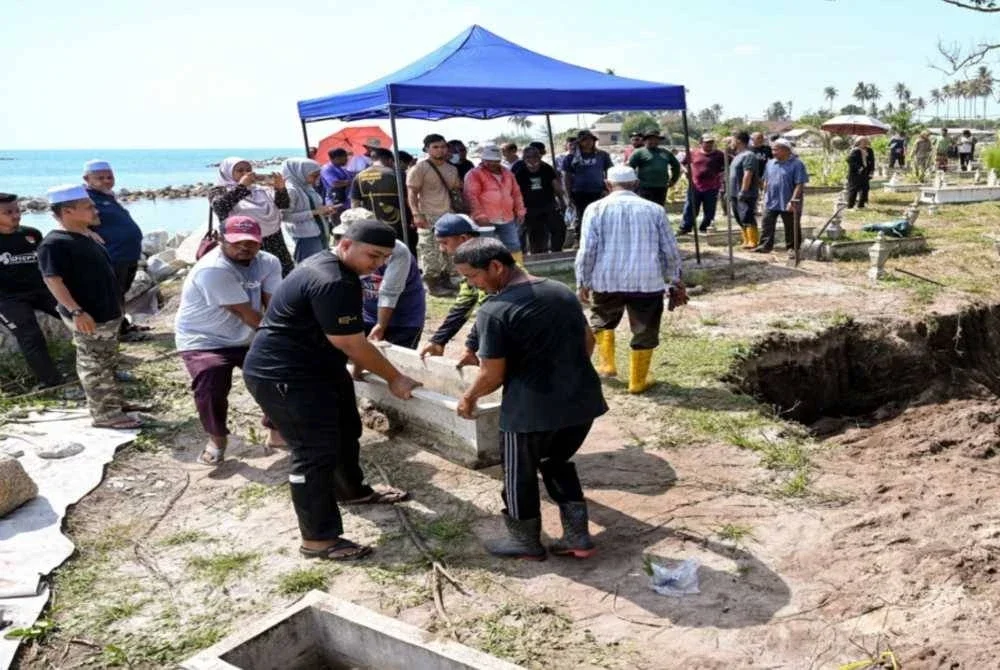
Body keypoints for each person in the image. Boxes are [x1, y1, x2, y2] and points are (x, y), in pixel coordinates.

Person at [243, 220, 421, 561]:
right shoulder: (333, 279)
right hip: (285, 375)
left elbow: (342, 337)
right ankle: (318, 540)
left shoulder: (336, 270)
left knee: (345, 430)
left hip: (319, 367)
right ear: (345, 244)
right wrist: (395, 378)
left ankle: (351, 491)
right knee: (314, 452)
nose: (377, 264)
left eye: (384, 258)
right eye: (372, 255)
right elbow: (350, 341)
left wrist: (357, 360)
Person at [455, 238, 607, 560]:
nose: (472, 284)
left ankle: (525, 542)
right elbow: (588, 341)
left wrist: (468, 398)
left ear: (496, 267)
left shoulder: (494, 311)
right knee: (556, 462)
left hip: (529, 413)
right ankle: (577, 536)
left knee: (517, 475)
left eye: (472, 276)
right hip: (582, 402)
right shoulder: (560, 291)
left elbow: (492, 375)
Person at [174, 216, 284, 465]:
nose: (244, 247)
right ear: (220, 239)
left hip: (246, 336)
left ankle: (276, 431)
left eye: (251, 243)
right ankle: (217, 438)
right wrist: (283, 337)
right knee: (211, 379)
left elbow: (274, 304)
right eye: (236, 242)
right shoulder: (213, 269)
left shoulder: (269, 262)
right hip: (204, 338)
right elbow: (244, 313)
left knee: (278, 373)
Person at [575, 166, 684, 394]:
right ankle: (637, 382)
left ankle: (607, 365)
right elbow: (669, 250)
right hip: (646, 281)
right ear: (636, 184)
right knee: (645, 328)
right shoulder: (654, 210)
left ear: (607, 184)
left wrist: (582, 281)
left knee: (602, 320)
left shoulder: (595, 209)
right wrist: (675, 279)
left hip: (606, 279)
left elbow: (587, 250)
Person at [37, 185, 139, 429]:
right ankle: (105, 415)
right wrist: (76, 311)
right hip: (88, 316)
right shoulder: (54, 244)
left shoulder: (86, 235)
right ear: (68, 211)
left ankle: (115, 404)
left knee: (107, 362)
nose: (96, 209)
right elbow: (52, 280)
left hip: (107, 313)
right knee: (94, 366)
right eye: (88, 207)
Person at [330, 210, 427, 350]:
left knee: (396, 362)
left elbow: (389, 292)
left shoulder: (398, 251)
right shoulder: (345, 248)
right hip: (368, 314)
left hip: (404, 318)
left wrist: (381, 325)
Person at [0, 193, 64, 389]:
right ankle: (51, 381)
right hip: (8, 299)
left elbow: (47, 264)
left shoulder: (32, 234)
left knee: (76, 314)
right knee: (30, 335)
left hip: (41, 291)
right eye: (8, 212)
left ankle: (101, 362)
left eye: (17, 210)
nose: (16, 215)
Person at [418, 214, 494, 365]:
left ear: (464, 239)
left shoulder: (486, 263)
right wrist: (439, 340)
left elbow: (491, 311)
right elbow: (463, 305)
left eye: (444, 243)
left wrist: (470, 348)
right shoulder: (472, 262)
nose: (442, 249)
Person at [83, 160, 145, 340]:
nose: (106, 181)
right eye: (100, 178)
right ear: (87, 178)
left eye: (109, 177)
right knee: (113, 296)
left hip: (128, 255)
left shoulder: (106, 195)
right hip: (112, 255)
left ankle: (123, 326)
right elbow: (68, 217)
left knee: (120, 294)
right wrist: (86, 231)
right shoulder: (85, 197)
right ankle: (118, 333)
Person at [210, 157, 294, 277]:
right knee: (254, 280)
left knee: (282, 276)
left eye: (248, 170)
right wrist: (242, 187)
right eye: (240, 170)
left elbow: (283, 205)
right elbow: (220, 207)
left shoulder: (259, 189)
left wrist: (280, 189)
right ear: (228, 173)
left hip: (274, 240)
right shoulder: (219, 190)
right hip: (244, 244)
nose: (246, 173)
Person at [407, 133, 462, 297]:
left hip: (448, 215)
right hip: (428, 215)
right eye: (435, 147)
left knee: (449, 251)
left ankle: (447, 280)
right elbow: (411, 193)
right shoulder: (419, 168)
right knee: (430, 252)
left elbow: (456, 188)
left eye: (443, 146)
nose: (440, 150)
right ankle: (433, 284)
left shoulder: (451, 168)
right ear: (427, 149)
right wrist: (416, 214)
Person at [464, 144, 526, 261]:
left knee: (513, 245)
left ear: (499, 160)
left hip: (507, 217)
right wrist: (479, 215)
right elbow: (471, 196)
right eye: (487, 160)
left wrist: (520, 211)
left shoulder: (508, 173)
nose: (491, 163)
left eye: (494, 161)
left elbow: (516, 193)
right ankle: (488, 275)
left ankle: (518, 271)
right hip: (485, 220)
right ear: (482, 160)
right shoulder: (474, 174)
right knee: (486, 249)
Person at [350, 148, 416, 258]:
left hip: (372, 224)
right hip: (400, 224)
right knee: (405, 252)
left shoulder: (358, 176)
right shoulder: (397, 174)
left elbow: (355, 204)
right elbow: (408, 197)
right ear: (390, 160)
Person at [754, 139, 809, 253]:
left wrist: (793, 200)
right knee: (767, 223)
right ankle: (765, 246)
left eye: (776, 150)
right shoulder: (770, 163)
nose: (773, 152)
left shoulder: (797, 164)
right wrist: (763, 196)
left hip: (788, 200)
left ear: (786, 150)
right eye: (772, 150)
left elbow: (800, 184)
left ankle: (793, 248)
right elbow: (766, 181)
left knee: (791, 225)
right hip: (771, 200)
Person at [513, 146, 567, 254]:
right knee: (536, 233)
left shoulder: (546, 168)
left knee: (559, 227)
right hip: (530, 207)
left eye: (535, 157)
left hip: (548, 204)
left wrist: (562, 200)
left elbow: (556, 185)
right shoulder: (519, 171)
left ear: (539, 157)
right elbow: (514, 191)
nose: (532, 160)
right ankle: (538, 254)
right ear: (524, 158)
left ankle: (556, 251)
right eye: (528, 157)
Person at [281, 158, 335, 262]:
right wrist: (316, 212)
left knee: (321, 264)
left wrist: (325, 211)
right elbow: (285, 216)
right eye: (314, 176)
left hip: (318, 231)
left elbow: (314, 207)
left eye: (318, 175)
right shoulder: (291, 190)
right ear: (300, 172)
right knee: (310, 266)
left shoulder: (306, 186)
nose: (317, 179)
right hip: (305, 236)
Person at [564, 130, 614, 228]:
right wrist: (568, 194)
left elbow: (610, 172)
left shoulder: (602, 155)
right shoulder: (571, 157)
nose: (588, 142)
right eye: (584, 140)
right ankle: (582, 240)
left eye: (591, 139)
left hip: (599, 192)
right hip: (579, 193)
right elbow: (567, 177)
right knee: (583, 218)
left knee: (600, 218)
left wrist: (608, 189)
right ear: (579, 142)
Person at [679, 135, 725, 234]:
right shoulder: (693, 153)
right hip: (695, 186)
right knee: (690, 207)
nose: (709, 144)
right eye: (707, 142)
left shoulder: (719, 154)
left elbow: (729, 162)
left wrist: (723, 173)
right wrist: (686, 171)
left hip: (712, 187)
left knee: (709, 209)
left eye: (711, 142)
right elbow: (682, 163)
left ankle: (705, 227)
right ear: (701, 143)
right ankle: (685, 227)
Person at [627, 130, 682, 207]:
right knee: (645, 209)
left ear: (659, 141)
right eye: (650, 139)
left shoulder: (665, 152)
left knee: (659, 208)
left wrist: (673, 180)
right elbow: (629, 168)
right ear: (645, 140)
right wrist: (632, 183)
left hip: (661, 187)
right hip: (645, 187)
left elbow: (676, 166)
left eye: (656, 139)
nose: (653, 141)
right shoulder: (639, 152)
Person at [728, 131, 761, 249]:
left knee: (747, 216)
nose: (730, 143)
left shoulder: (749, 155)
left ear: (738, 141)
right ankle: (746, 240)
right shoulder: (737, 156)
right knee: (739, 217)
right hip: (734, 192)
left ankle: (753, 241)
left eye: (732, 140)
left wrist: (744, 190)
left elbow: (748, 174)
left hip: (745, 193)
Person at [846, 137, 875, 209]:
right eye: (863, 141)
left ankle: (861, 205)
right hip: (855, 173)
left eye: (866, 141)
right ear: (858, 142)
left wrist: (871, 171)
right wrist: (859, 168)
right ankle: (850, 205)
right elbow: (849, 160)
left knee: (865, 188)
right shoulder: (855, 150)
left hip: (865, 172)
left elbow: (872, 161)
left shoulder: (869, 150)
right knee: (854, 189)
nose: (865, 143)